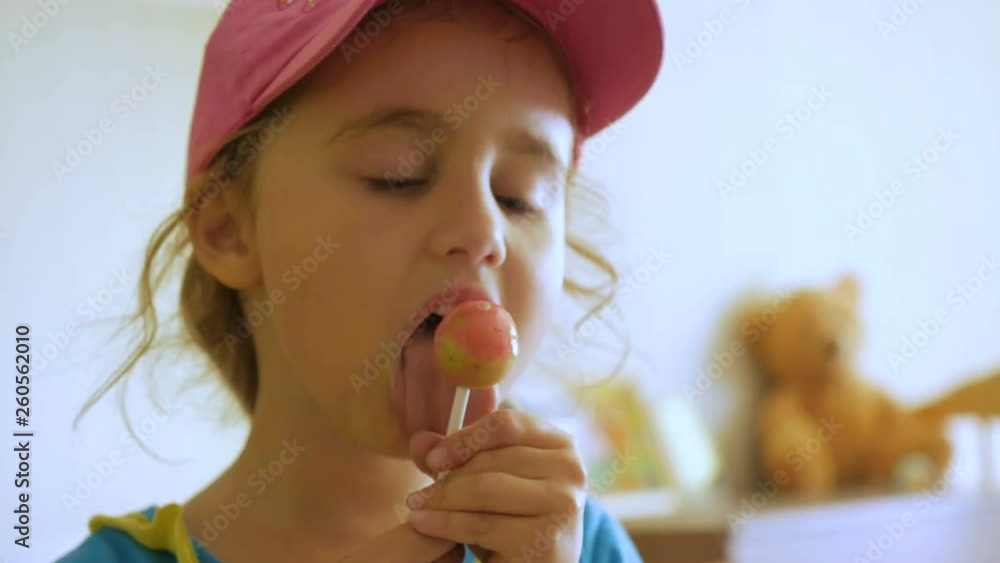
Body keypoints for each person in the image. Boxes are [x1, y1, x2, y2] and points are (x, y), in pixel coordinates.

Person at [57, 0, 664, 561]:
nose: (484, 230)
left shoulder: (582, 547)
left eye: (520, 197)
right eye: (398, 176)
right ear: (229, 231)